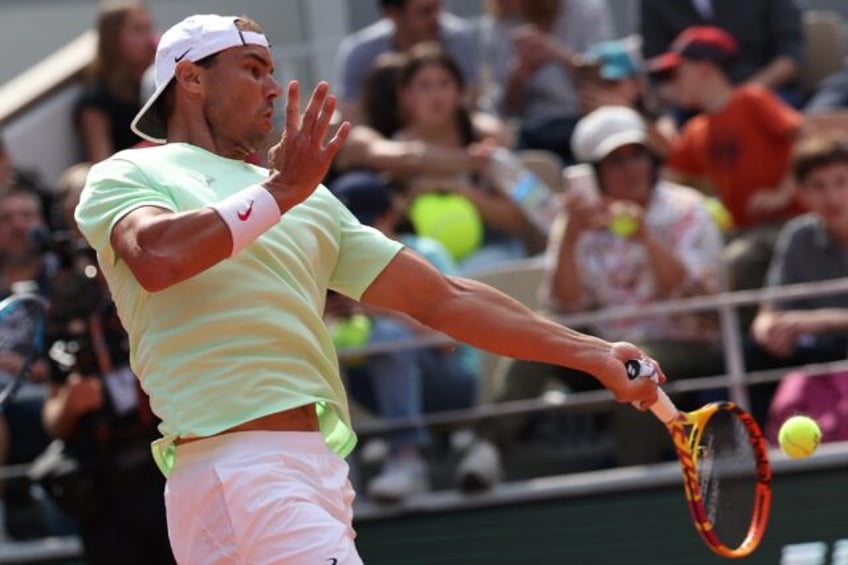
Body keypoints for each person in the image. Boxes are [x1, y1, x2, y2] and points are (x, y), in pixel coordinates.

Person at [74, 14, 663, 563]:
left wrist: (595, 354)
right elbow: (154, 256)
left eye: (272, 72)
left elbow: (443, 298)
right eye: (253, 71)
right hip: (244, 470)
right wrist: (281, 192)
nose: (274, 89)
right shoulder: (132, 173)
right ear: (191, 78)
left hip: (305, 472)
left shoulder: (303, 196)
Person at [39, 162, 176, 564]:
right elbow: (54, 414)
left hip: (170, 469)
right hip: (104, 488)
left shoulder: (158, 273)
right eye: (78, 206)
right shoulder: (61, 302)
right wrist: (70, 403)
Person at [330, 172, 480, 501]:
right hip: (371, 389)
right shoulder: (332, 268)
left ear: (390, 217)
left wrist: (378, 310)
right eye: (345, 228)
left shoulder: (426, 253)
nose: (353, 237)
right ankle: (337, 474)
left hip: (452, 383)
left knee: (387, 336)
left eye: (364, 226)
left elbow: (450, 341)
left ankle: (407, 457)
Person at [654, 26, 805, 302]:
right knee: (698, 268)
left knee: (733, 264)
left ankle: (740, 340)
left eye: (680, 71)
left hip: (788, 223)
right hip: (741, 231)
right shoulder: (696, 129)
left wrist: (783, 192)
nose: (674, 82)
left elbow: (804, 137)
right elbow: (665, 178)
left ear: (706, 68)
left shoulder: (751, 99)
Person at [392, 43, 526, 273]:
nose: (436, 95)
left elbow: (516, 221)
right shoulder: (395, 151)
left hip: (493, 251)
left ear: (459, 91)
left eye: (445, 84)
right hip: (427, 261)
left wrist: (457, 190)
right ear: (406, 96)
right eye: (424, 86)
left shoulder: (486, 140)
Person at [749, 134, 848, 425]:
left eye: (842, 182)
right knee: (750, 355)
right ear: (802, 193)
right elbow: (769, 309)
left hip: (828, 346)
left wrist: (815, 321)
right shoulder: (797, 235)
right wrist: (767, 329)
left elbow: (810, 321)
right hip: (821, 354)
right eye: (818, 186)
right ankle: (757, 455)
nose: (832, 197)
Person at [481, 0, 613, 164]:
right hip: (533, 132)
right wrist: (518, 76)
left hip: (587, 122)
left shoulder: (588, 9)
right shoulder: (500, 21)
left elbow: (603, 79)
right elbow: (505, 109)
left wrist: (557, 53)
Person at [334, 0, 479, 122]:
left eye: (438, 8)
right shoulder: (360, 52)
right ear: (393, 13)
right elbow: (350, 115)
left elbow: (469, 99)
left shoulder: (456, 38)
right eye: (425, 11)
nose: (436, 19)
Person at [640, 0, 804, 106]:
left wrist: (738, 100)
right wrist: (705, 101)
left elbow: (789, 55)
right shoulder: (654, 5)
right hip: (694, 111)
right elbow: (657, 74)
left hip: (771, 96)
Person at [74, 0, 157, 162]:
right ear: (112, 38)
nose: (149, 39)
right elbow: (102, 162)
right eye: (138, 30)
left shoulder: (157, 86)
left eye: (149, 28)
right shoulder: (96, 101)